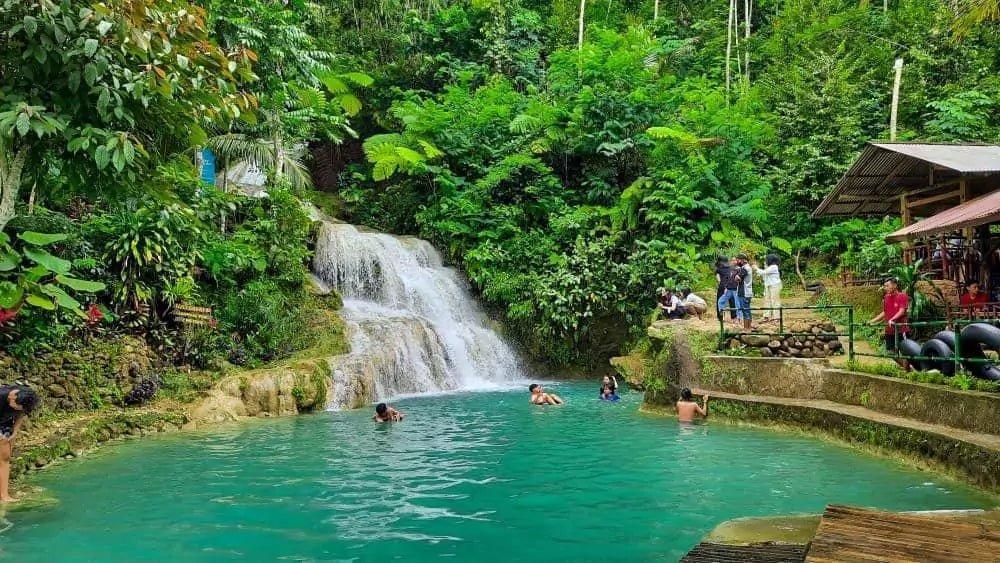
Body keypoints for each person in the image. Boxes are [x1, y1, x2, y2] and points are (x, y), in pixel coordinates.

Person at [0, 385, 40, 502]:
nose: (11, 399)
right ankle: (3, 495)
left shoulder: (26, 398)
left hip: (5, 423)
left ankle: (3, 494)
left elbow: (20, 414)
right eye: (13, 401)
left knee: (5, 457)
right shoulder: (2, 395)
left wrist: (15, 431)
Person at [867, 278, 910, 369]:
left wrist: (893, 319)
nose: (886, 288)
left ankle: (908, 372)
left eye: (887, 285)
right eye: (885, 286)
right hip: (889, 330)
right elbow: (884, 312)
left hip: (901, 329)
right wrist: (872, 321)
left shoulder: (902, 296)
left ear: (895, 285)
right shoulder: (886, 297)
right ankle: (909, 369)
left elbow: (902, 311)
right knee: (891, 353)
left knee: (905, 351)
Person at [753, 254, 782, 322]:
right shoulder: (769, 267)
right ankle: (766, 316)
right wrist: (760, 269)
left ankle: (776, 317)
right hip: (768, 285)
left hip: (775, 285)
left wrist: (756, 268)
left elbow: (763, 272)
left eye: (766, 260)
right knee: (767, 300)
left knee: (775, 301)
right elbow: (762, 274)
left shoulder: (774, 267)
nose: (765, 261)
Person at [716, 257, 742, 326]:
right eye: (732, 260)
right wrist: (726, 287)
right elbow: (728, 278)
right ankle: (727, 316)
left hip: (733, 288)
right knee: (724, 301)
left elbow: (740, 279)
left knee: (736, 303)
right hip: (728, 288)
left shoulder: (739, 269)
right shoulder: (730, 268)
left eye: (734, 260)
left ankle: (737, 318)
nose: (733, 261)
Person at [734, 253, 754, 331]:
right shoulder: (747, 268)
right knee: (747, 310)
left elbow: (737, 278)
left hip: (744, 292)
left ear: (742, 260)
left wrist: (736, 276)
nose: (737, 261)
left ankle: (746, 328)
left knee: (745, 310)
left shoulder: (745, 268)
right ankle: (748, 327)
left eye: (738, 260)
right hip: (747, 292)